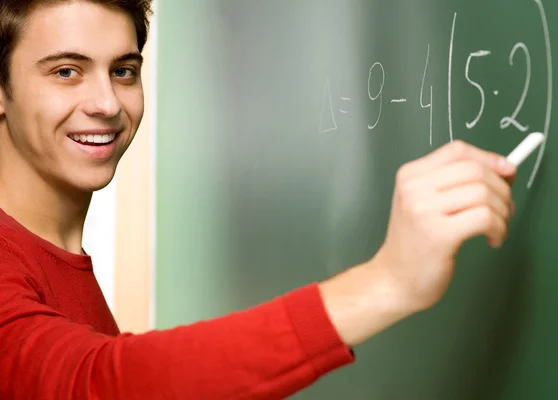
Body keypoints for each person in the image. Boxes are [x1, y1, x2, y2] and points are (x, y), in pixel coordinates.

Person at [0, 0, 517, 399]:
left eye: (124, 70)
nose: (107, 103)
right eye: (66, 71)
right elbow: (102, 386)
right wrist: (388, 282)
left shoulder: (54, 259)